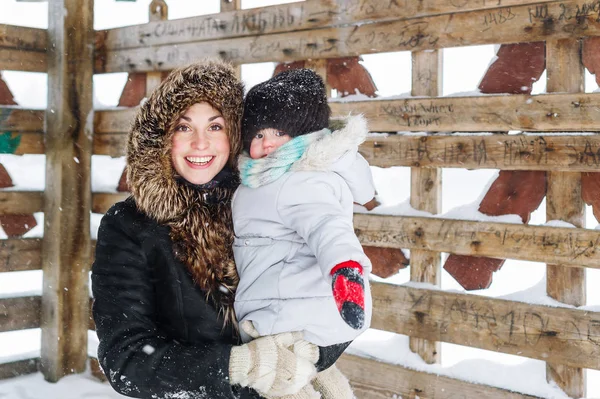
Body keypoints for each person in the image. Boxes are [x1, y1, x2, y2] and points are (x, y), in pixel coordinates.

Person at [91, 61, 341, 399]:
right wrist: (237, 365)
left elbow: (341, 296)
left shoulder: (275, 201)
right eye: (183, 127)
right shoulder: (129, 226)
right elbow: (126, 360)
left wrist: (311, 354)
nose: (200, 143)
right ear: (161, 136)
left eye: (215, 126)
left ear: (235, 133)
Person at [232, 69, 376, 398]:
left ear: (303, 135)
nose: (265, 142)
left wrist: (345, 269)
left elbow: (327, 227)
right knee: (321, 381)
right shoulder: (291, 175)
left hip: (285, 313)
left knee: (282, 384)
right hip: (305, 307)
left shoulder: (294, 182)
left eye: (277, 132)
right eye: (256, 135)